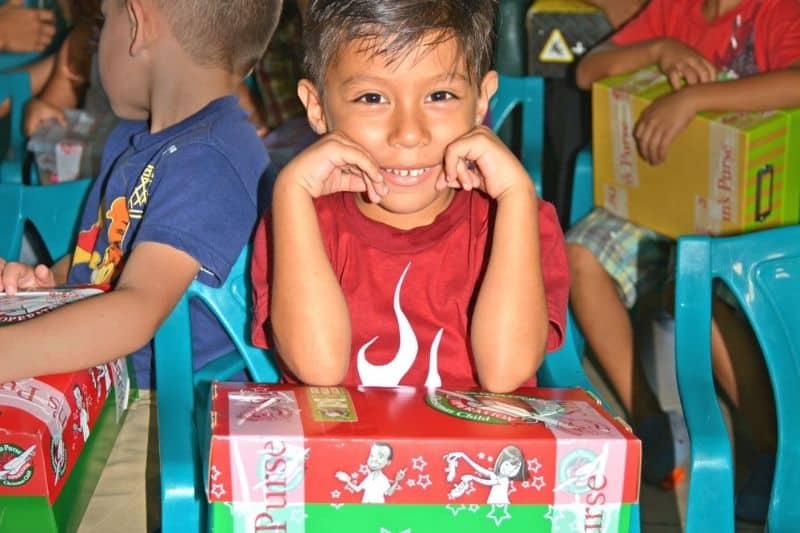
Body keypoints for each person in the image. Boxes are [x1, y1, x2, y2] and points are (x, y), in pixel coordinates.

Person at [250, 0, 570, 393]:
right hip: (341, 453)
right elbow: (319, 371)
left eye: (439, 96)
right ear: (317, 107)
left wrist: (518, 195)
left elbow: (506, 374)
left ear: (482, 100)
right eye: (372, 98)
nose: (408, 134)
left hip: (477, 456)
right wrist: (292, 192)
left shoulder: (517, 218)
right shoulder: (298, 220)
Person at [568, 0, 800, 517]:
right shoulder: (676, 8)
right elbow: (588, 71)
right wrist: (659, 49)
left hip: (746, 219)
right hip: (664, 202)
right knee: (579, 257)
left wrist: (695, 98)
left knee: (703, 300)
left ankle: (770, 450)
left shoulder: (779, 11)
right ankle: (648, 417)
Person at [0, 0, 282, 392]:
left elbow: (137, 309)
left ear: (139, 23)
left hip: (157, 412)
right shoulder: (143, 141)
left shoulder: (209, 162)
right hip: (107, 385)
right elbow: (101, 259)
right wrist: (44, 284)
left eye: (103, 22)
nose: (97, 42)